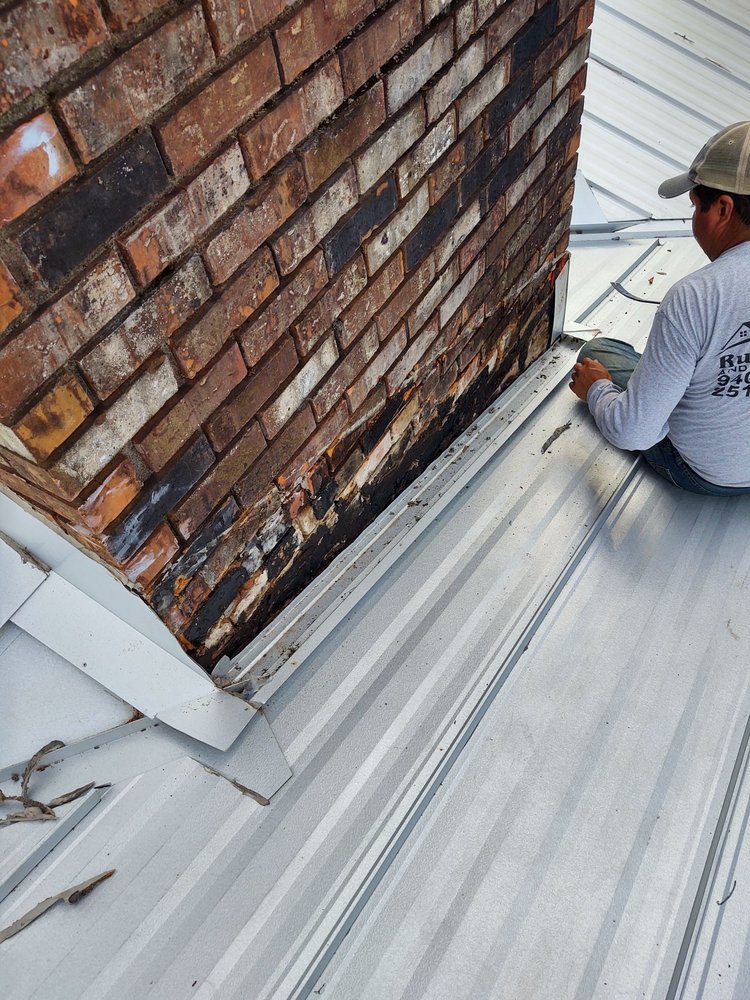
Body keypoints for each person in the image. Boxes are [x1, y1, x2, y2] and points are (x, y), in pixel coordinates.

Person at [569, 121, 750, 495]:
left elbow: (633, 431)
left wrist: (598, 390)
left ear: (722, 208)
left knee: (601, 353)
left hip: (709, 473)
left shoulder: (697, 297)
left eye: (695, 206)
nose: (694, 218)